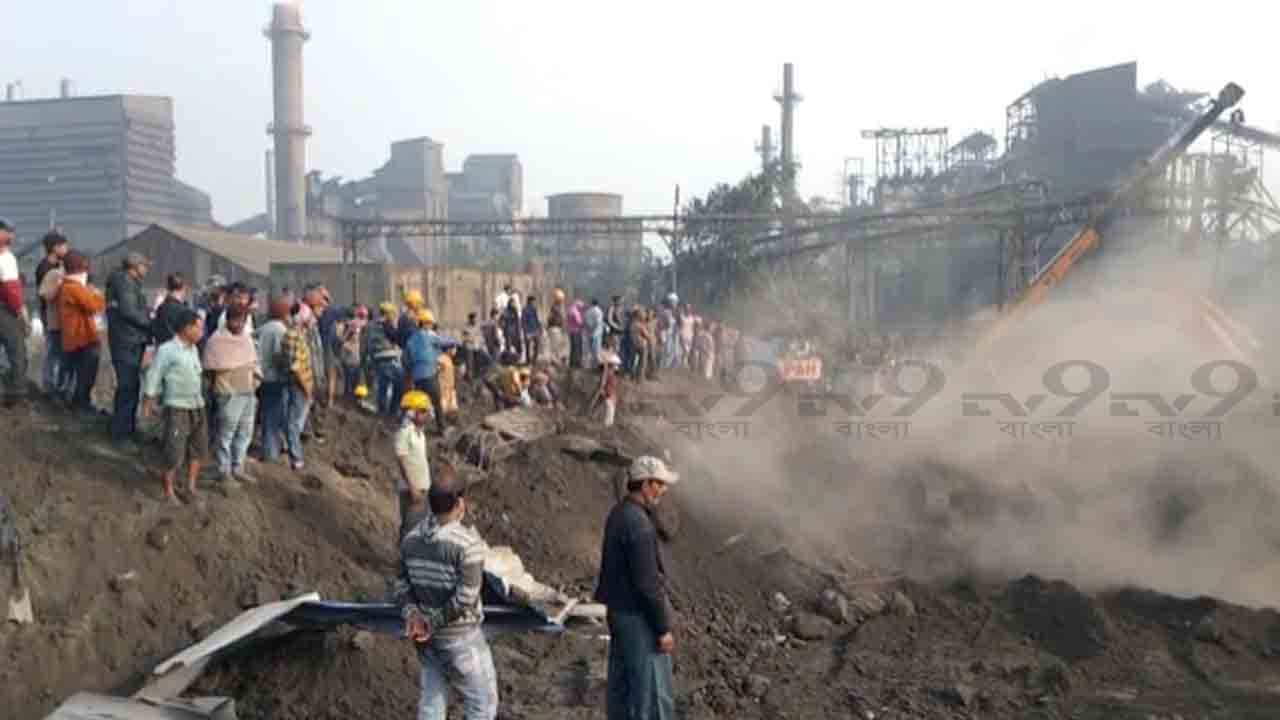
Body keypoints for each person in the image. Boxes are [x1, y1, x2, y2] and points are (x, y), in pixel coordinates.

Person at [396, 463, 499, 720]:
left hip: (426, 641)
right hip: (460, 638)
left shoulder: (411, 539)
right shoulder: (467, 545)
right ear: (460, 503)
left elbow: (400, 583)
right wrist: (432, 622)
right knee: (482, 704)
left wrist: (413, 616)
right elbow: (465, 598)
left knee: (432, 701)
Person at [594, 455, 680, 720]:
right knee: (652, 694)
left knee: (623, 688)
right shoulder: (639, 525)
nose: (663, 490)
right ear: (645, 485)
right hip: (638, 618)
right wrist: (662, 628)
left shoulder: (619, 513)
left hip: (619, 612)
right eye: (660, 484)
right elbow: (647, 584)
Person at [142, 309, 207, 504]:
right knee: (174, 451)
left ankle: (190, 487)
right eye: (199, 327)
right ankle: (168, 491)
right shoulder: (167, 350)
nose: (201, 331)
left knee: (198, 448)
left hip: (197, 405)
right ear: (187, 328)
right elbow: (154, 374)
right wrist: (148, 400)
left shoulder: (194, 349)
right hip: (177, 406)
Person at [203, 306, 260, 490]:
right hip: (228, 393)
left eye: (242, 320)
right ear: (227, 320)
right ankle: (223, 471)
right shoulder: (217, 340)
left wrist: (255, 380)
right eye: (235, 320)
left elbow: (254, 362)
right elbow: (209, 368)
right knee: (225, 434)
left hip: (248, 391)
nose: (238, 324)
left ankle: (238, 467)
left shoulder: (246, 339)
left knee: (245, 432)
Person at [106, 252, 153, 449]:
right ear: (134, 266)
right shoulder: (124, 283)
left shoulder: (127, 282)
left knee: (131, 386)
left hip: (129, 339)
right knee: (127, 387)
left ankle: (128, 429)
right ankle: (121, 434)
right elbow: (129, 311)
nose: (147, 269)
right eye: (145, 266)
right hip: (127, 340)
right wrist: (150, 323)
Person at [56, 252, 105, 412]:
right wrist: (97, 295)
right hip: (82, 336)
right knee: (86, 374)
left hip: (74, 336)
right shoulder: (74, 287)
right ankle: (81, 404)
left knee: (77, 373)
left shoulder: (66, 286)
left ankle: (76, 401)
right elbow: (94, 305)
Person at [256, 294, 296, 466]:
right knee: (273, 418)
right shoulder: (279, 330)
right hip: (274, 379)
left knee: (267, 416)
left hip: (262, 378)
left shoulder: (263, 328)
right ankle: (271, 453)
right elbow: (280, 356)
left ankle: (270, 449)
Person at [403, 309, 453, 436]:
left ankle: (417, 430)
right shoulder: (430, 335)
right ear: (425, 323)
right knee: (436, 402)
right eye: (430, 323)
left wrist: (410, 372)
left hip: (417, 378)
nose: (431, 326)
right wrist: (454, 342)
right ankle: (442, 429)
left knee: (420, 404)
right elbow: (446, 342)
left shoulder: (411, 339)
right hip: (430, 374)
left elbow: (405, 359)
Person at [281, 301, 318, 471]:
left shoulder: (299, 334)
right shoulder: (293, 336)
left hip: (302, 385)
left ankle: (291, 450)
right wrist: (306, 389)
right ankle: (296, 457)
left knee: (296, 422)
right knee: (294, 423)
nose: (312, 319)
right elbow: (295, 368)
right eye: (309, 316)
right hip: (299, 386)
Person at [34, 230, 69, 397]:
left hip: (58, 315)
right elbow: (46, 294)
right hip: (49, 314)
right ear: (55, 248)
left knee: (58, 350)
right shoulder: (45, 268)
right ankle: (49, 384)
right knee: (53, 350)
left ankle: (55, 383)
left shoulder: (58, 266)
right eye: (64, 245)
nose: (66, 248)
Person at [394, 390, 433, 539]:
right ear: (411, 413)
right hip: (412, 490)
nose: (427, 415)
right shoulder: (405, 433)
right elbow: (401, 461)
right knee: (410, 528)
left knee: (418, 529)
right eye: (423, 411)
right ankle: (404, 559)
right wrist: (412, 488)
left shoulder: (420, 433)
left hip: (422, 488)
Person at [0, 218, 30, 408]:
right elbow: (10, 288)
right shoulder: (6, 257)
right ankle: (16, 395)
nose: (12, 236)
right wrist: (20, 310)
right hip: (4, 310)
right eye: (9, 232)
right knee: (16, 351)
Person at [362, 303, 403, 417]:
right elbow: (396, 338)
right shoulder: (386, 325)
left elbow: (365, 345)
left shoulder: (369, 326)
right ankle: (391, 411)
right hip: (388, 358)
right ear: (388, 313)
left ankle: (383, 412)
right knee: (399, 384)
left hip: (375, 360)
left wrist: (365, 361)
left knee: (382, 387)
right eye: (393, 314)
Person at [151, 273, 190, 345]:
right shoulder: (182, 310)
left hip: (162, 348)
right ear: (184, 287)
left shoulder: (161, 307)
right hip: (177, 349)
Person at [338, 305, 368, 398]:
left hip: (356, 357)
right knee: (350, 381)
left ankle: (352, 400)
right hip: (350, 357)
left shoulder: (358, 325)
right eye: (361, 316)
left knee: (355, 381)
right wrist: (350, 331)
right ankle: (348, 400)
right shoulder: (350, 325)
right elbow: (342, 340)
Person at [596, 340, 622, 428]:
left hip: (610, 379)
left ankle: (607, 421)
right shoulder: (606, 357)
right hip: (609, 380)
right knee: (609, 400)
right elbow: (606, 370)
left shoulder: (607, 356)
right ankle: (607, 423)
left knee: (608, 400)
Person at [546, 289, 567, 367]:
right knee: (555, 345)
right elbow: (558, 318)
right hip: (554, 328)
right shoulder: (556, 308)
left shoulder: (556, 307)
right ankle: (554, 360)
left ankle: (555, 359)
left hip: (556, 328)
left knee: (557, 345)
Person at [437, 346, 459, 421]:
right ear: (448, 349)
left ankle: (452, 422)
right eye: (453, 349)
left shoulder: (448, 359)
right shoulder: (442, 358)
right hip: (444, 389)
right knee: (445, 409)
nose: (455, 351)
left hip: (450, 388)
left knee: (452, 408)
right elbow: (437, 369)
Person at [521, 295, 542, 366]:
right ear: (530, 301)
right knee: (528, 347)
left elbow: (537, 319)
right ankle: (528, 361)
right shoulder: (525, 309)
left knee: (537, 346)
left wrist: (539, 328)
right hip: (528, 331)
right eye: (533, 301)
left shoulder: (534, 309)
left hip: (535, 330)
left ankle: (534, 360)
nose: (534, 302)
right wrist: (525, 332)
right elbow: (523, 321)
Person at [585, 299, 605, 368]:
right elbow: (598, 322)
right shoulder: (598, 311)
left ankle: (589, 365)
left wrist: (589, 329)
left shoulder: (588, 311)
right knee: (596, 350)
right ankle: (596, 365)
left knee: (589, 350)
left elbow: (586, 321)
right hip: (596, 333)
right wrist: (593, 329)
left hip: (589, 333)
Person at [566, 298, 584, 369]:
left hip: (570, 331)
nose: (581, 309)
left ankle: (572, 362)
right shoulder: (575, 311)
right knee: (577, 348)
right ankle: (577, 363)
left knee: (572, 348)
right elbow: (579, 322)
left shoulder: (569, 310)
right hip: (576, 331)